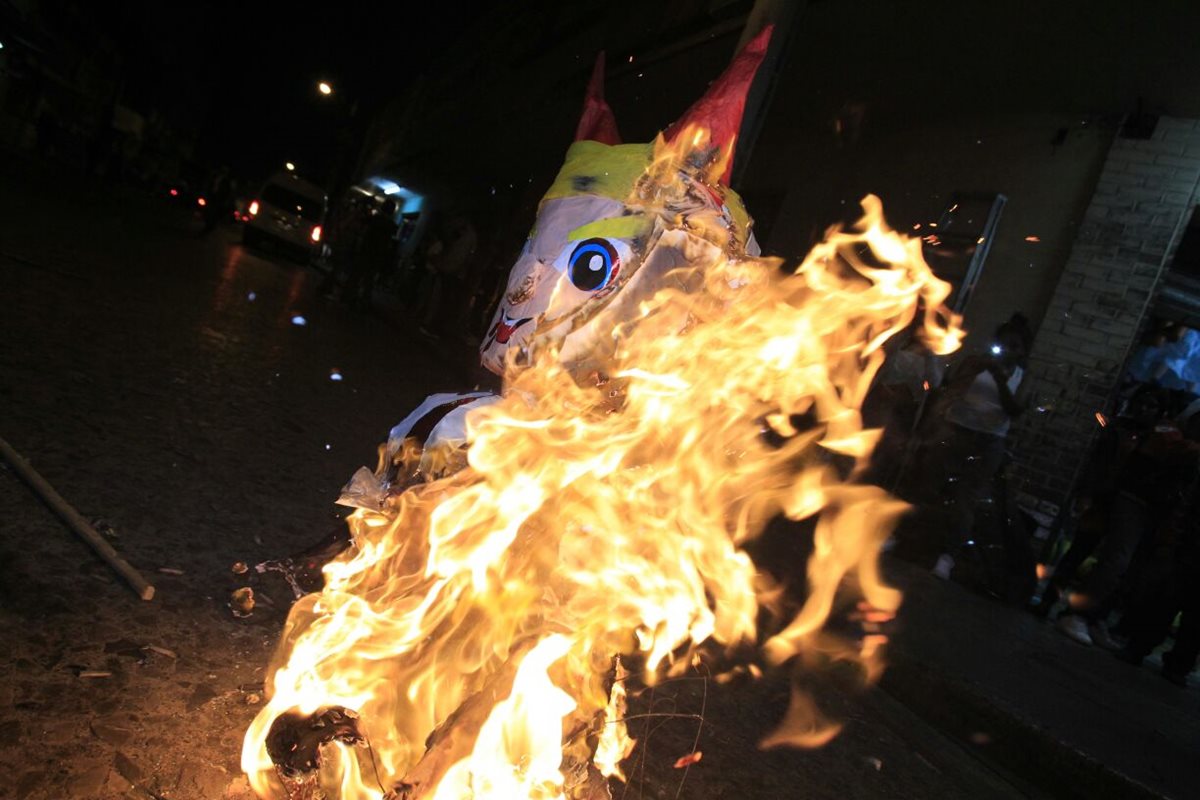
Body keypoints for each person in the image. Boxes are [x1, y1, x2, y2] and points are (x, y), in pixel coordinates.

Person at [930, 313, 1033, 579]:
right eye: (1003, 345)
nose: (1007, 352)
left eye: (1015, 347)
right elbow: (951, 388)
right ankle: (907, 537)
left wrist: (1000, 380)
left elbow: (1015, 409)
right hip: (955, 430)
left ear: (1023, 352)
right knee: (931, 482)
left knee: (966, 497)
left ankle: (947, 556)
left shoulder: (1022, 377)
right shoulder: (975, 364)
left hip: (988, 442)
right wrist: (972, 371)